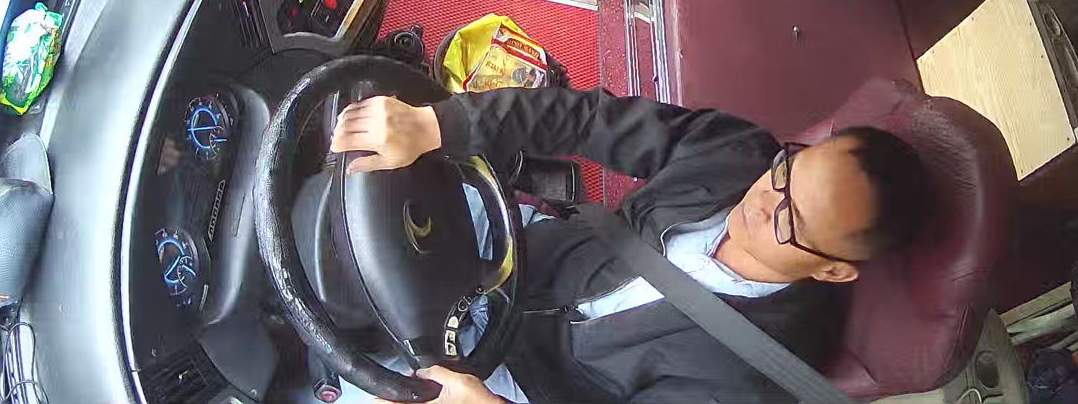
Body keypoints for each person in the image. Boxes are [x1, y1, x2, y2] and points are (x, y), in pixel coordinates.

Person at [331, 87, 930, 404]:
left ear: (832, 271)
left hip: (519, 381)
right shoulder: (740, 153)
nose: (762, 198)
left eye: (790, 218)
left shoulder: (753, 382)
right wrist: (440, 123)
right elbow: (590, 120)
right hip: (518, 250)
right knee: (357, 174)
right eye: (787, 172)